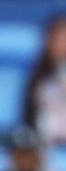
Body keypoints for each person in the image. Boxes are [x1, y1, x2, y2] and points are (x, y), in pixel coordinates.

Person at [23, 15, 66, 145]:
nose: (61, 44)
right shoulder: (38, 76)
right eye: (57, 39)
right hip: (44, 141)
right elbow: (29, 114)